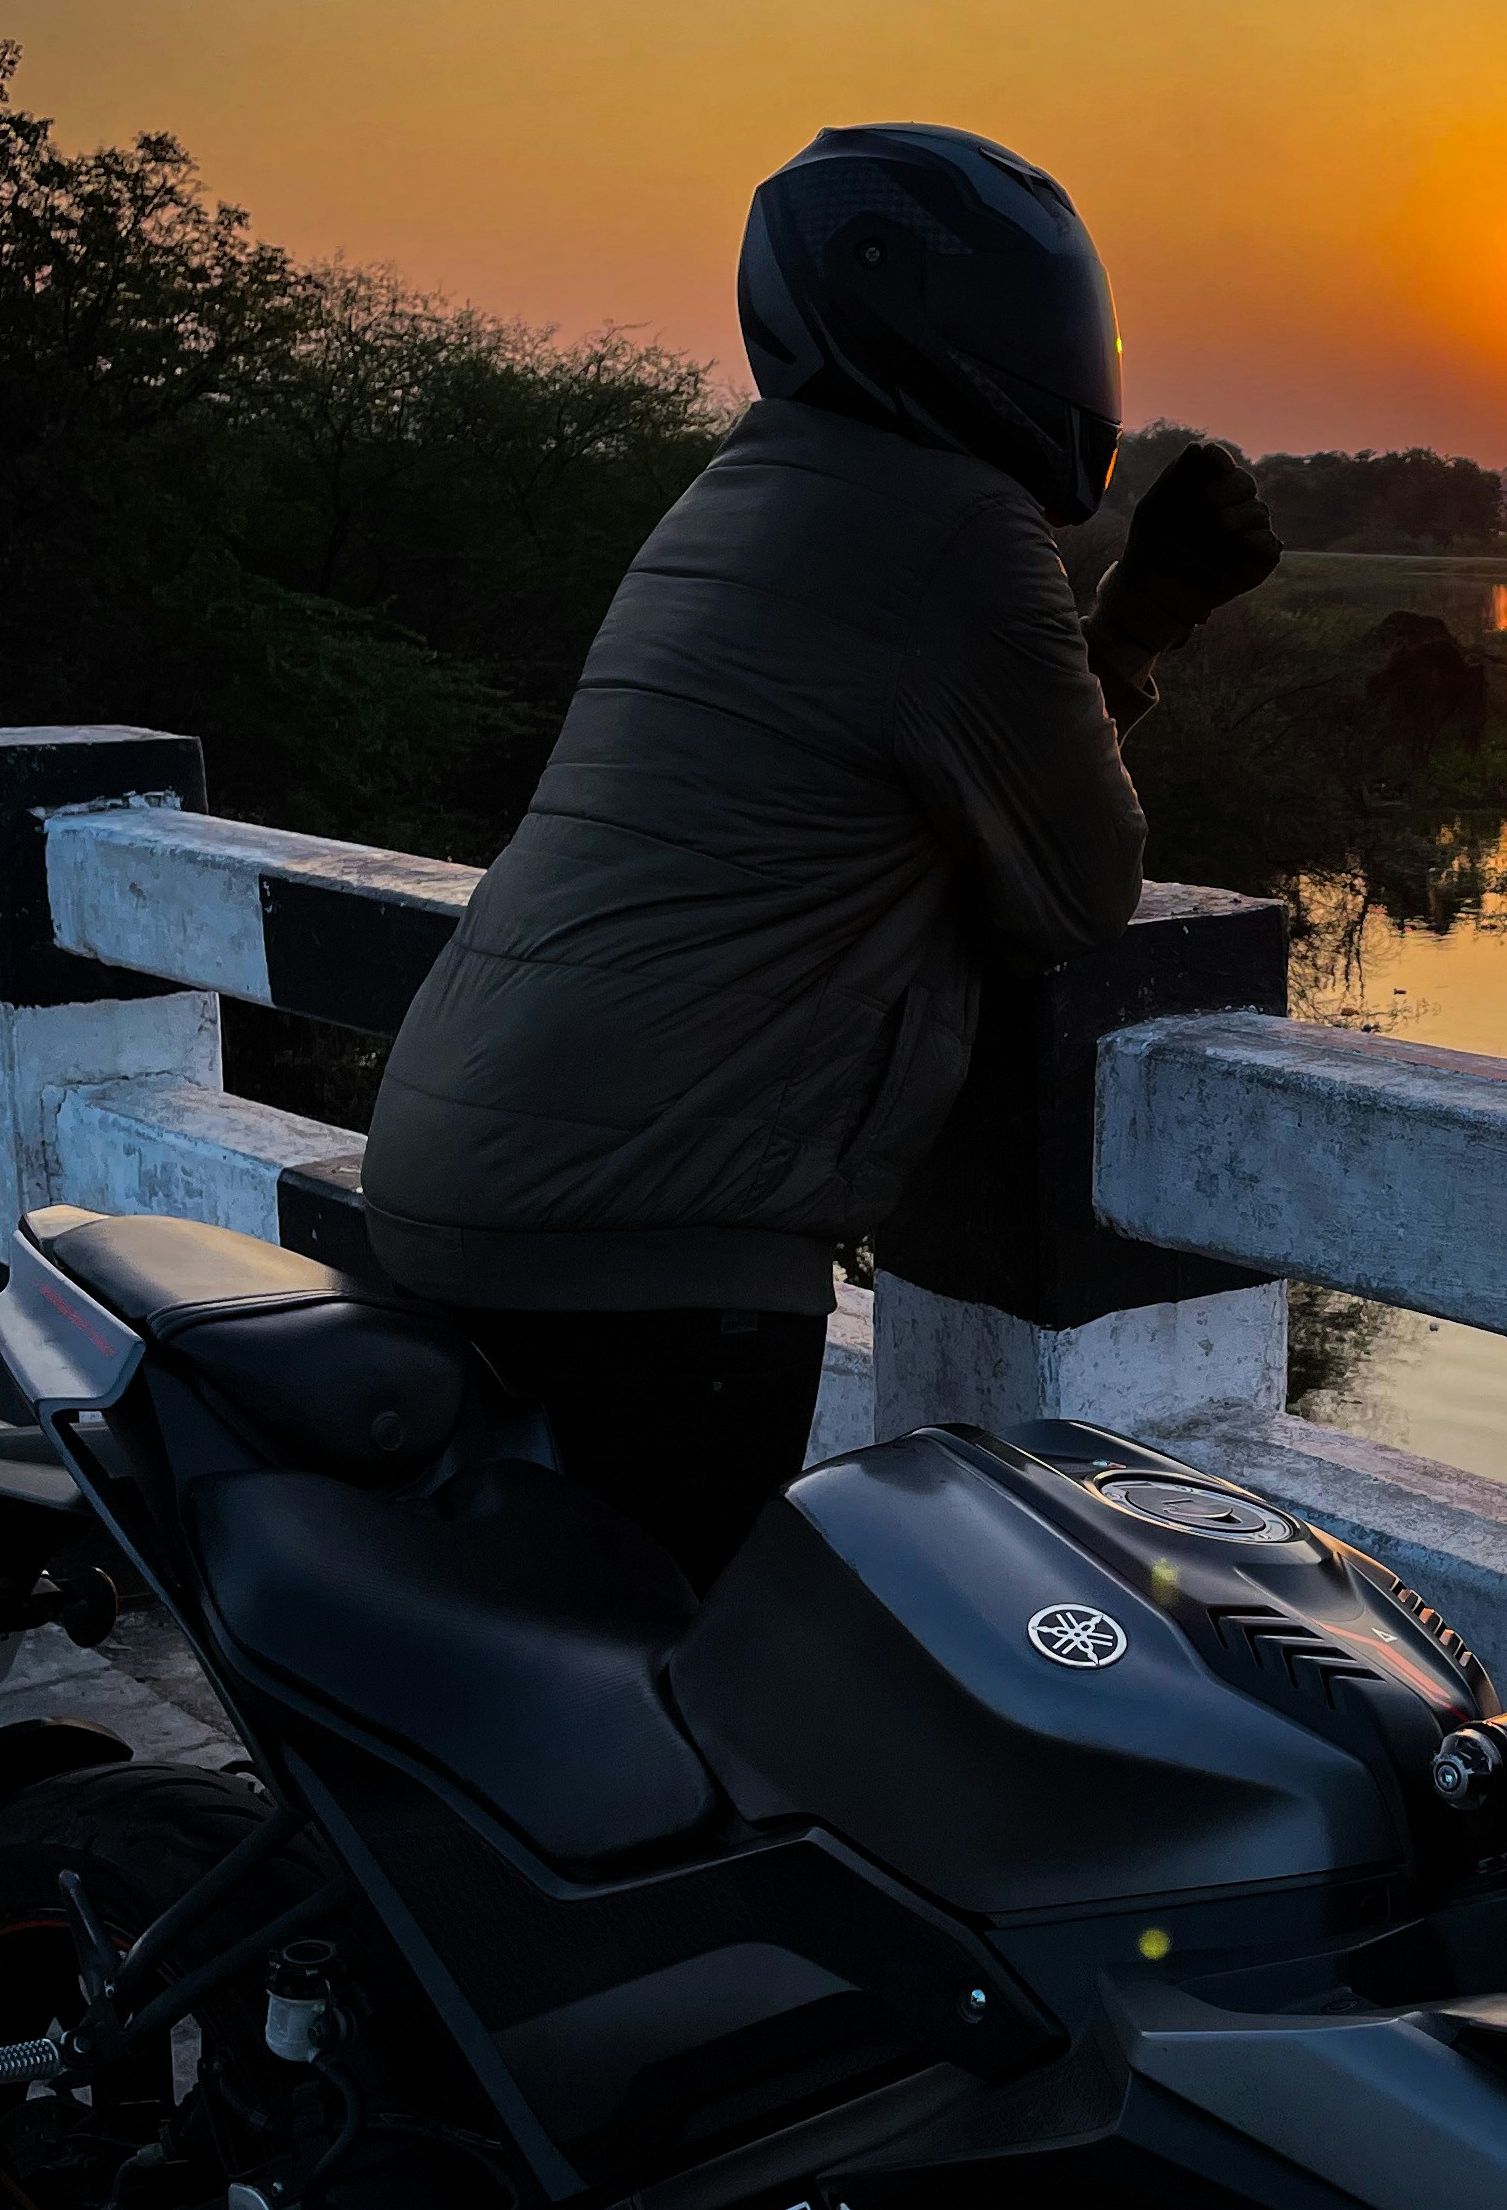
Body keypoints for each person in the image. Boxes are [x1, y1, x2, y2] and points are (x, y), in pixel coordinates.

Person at [358, 125, 1278, 1585]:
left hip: (461, 1167)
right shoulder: (956, 524)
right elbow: (1076, 889)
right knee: (671, 1723)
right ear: (913, 309)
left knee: (526, 1687)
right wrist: (1149, 620)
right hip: (649, 1239)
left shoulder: (749, 486)